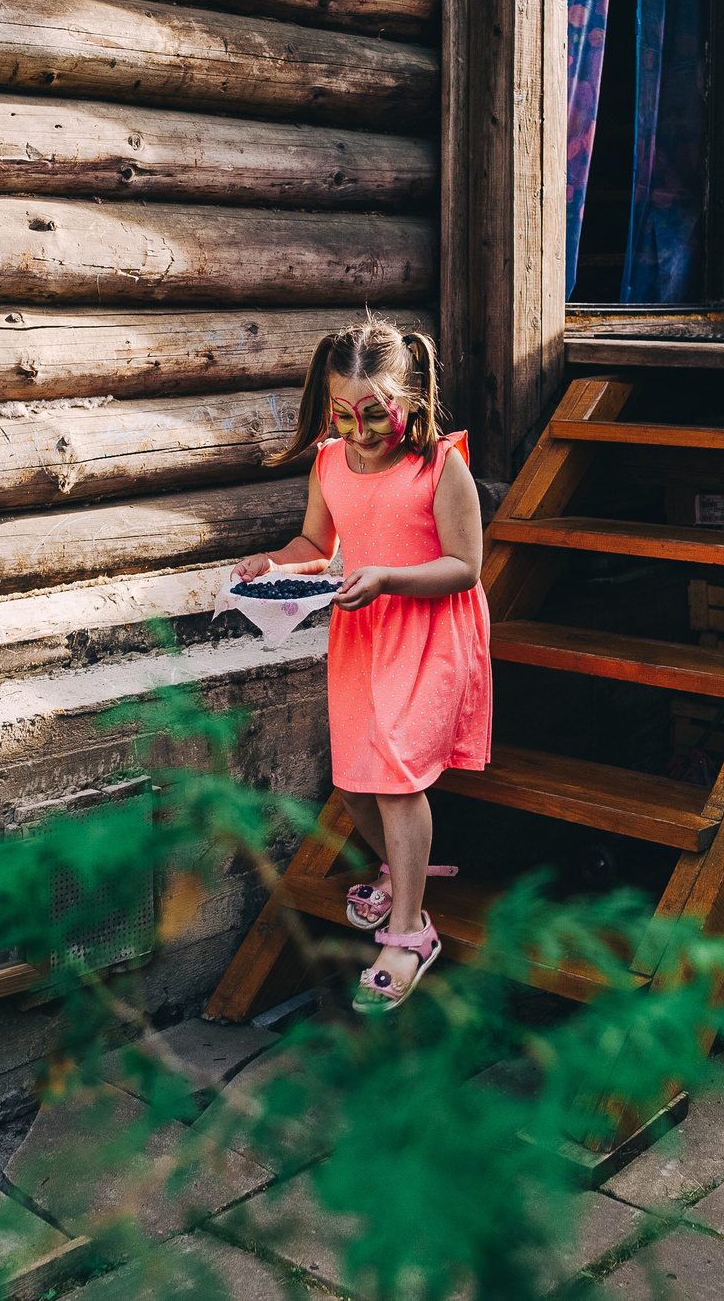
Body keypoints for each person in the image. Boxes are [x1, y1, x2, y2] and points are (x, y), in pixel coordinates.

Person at [234, 315, 491, 1013]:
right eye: (342, 413)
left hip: (428, 630)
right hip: (362, 632)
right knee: (353, 782)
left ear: (409, 396)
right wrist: (274, 562)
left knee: (399, 778)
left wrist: (384, 578)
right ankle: (400, 868)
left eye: (374, 411)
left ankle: (410, 929)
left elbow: (465, 568)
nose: (359, 429)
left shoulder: (442, 465)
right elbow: (316, 540)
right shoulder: (328, 462)